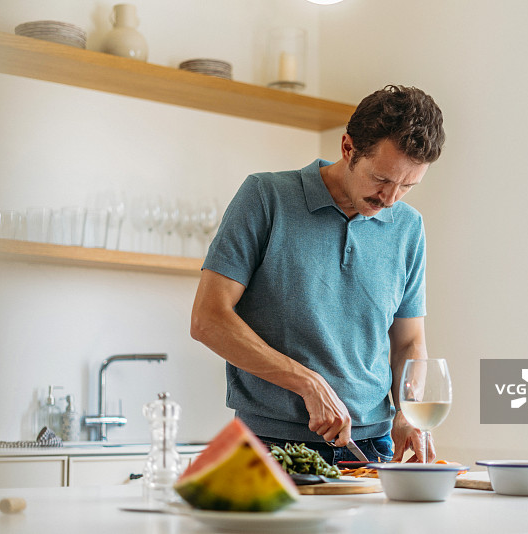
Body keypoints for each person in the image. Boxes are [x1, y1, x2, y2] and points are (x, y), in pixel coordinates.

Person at [190, 85, 446, 464]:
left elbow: (409, 342)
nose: (390, 198)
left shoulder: (408, 227)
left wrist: (408, 412)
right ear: (348, 148)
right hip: (270, 445)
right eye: (381, 179)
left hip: (372, 448)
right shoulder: (267, 197)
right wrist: (307, 382)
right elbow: (208, 319)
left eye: (407, 186)